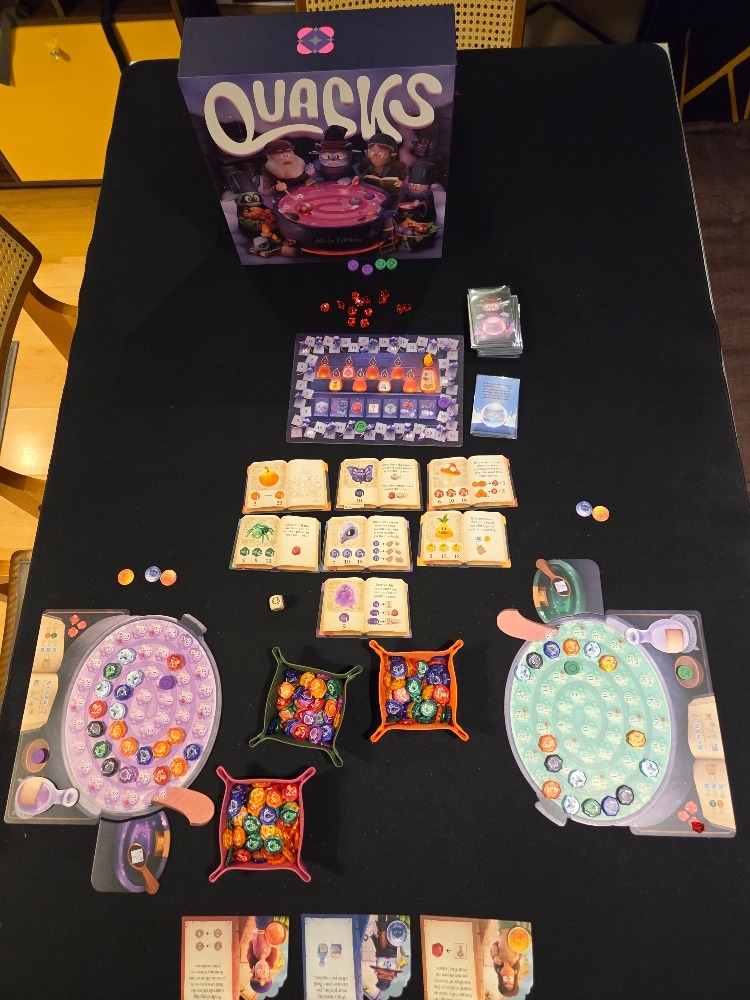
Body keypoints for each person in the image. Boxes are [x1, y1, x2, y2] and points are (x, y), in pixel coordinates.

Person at [490, 928, 522, 997]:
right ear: (514, 976)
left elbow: (494, 945)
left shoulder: (498, 961)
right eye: (510, 979)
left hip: (503, 929)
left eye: (505, 979)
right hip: (516, 930)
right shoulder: (516, 959)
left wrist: (495, 955)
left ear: (500, 977)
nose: (507, 975)